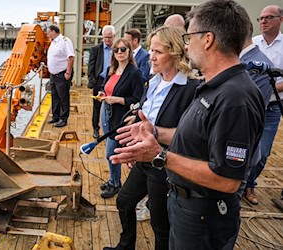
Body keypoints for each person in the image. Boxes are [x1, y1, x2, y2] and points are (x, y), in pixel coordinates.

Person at [110, 0, 265, 249]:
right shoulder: (215, 88)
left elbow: (228, 180)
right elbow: (195, 137)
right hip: (187, 206)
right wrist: (154, 131)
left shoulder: (235, 98)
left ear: (207, 40)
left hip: (204, 219)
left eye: (188, 36)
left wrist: (159, 155)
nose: (186, 44)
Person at [104, 26, 200, 250]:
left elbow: (192, 135)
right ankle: (125, 245)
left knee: (160, 224)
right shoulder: (153, 82)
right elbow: (145, 121)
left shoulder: (191, 89)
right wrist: (134, 148)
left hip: (164, 163)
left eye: (158, 51)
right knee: (124, 201)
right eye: (151, 50)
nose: (151, 56)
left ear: (175, 53)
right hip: (144, 158)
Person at [97, 38, 143, 199]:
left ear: (129, 51)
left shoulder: (134, 73)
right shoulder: (112, 69)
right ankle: (113, 180)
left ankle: (115, 183)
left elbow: (138, 99)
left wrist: (117, 99)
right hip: (106, 112)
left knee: (111, 152)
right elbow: (106, 87)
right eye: (116, 50)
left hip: (120, 116)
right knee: (110, 149)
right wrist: (103, 93)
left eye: (123, 49)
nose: (119, 53)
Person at [246, 5, 283, 204]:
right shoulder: (253, 44)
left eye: (269, 17)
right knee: (244, 145)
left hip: (271, 107)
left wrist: (266, 89)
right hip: (250, 105)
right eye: (261, 18)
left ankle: (250, 184)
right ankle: (242, 184)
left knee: (264, 151)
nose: (263, 21)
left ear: (280, 20)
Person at [88, 25, 115, 138]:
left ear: (114, 36)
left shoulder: (118, 49)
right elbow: (91, 66)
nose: (107, 40)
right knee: (96, 107)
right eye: (105, 37)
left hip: (113, 80)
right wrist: (93, 81)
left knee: (112, 105)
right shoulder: (96, 49)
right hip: (99, 81)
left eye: (109, 37)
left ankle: (110, 130)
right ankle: (95, 128)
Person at [46, 24, 75, 128]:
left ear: (54, 31)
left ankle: (63, 119)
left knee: (63, 97)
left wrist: (68, 73)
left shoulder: (65, 41)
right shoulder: (53, 42)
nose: (47, 34)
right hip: (53, 75)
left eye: (48, 32)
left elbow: (71, 57)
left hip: (62, 74)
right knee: (55, 96)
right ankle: (56, 116)